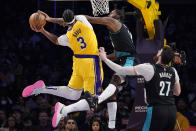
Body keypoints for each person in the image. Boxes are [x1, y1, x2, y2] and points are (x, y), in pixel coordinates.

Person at [22, 9, 103, 127]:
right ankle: (63, 110)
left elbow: (55, 40)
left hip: (78, 62)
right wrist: (50, 19)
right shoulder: (83, 20)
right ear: (74, 17)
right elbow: (66, 20)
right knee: (94, 102)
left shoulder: (68, 36)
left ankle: (42, 88)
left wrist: (43, 30)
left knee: (73, 94)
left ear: (65, 22)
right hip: (91, 62)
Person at [98, 46, 181, 131]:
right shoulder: (173, 71)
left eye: (160, 51)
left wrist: (105, 59)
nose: (158, 51)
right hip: (171, 110)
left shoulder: (149, 68)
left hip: (156, 110)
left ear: (161, 55)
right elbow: (177, 92)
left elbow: (121, 70)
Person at [83, 9, 137, 129]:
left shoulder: (113, 22)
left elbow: (92, 19)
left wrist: (76, 18)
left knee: (115, 79)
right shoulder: (120, 31)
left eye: (112, 12)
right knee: (112, 94)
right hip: (126, 59)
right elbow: (118, 54)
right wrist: (104, 57)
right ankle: (111, 126)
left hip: (130, 60)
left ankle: (96, 100)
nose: (109, 14)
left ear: (117, 15)